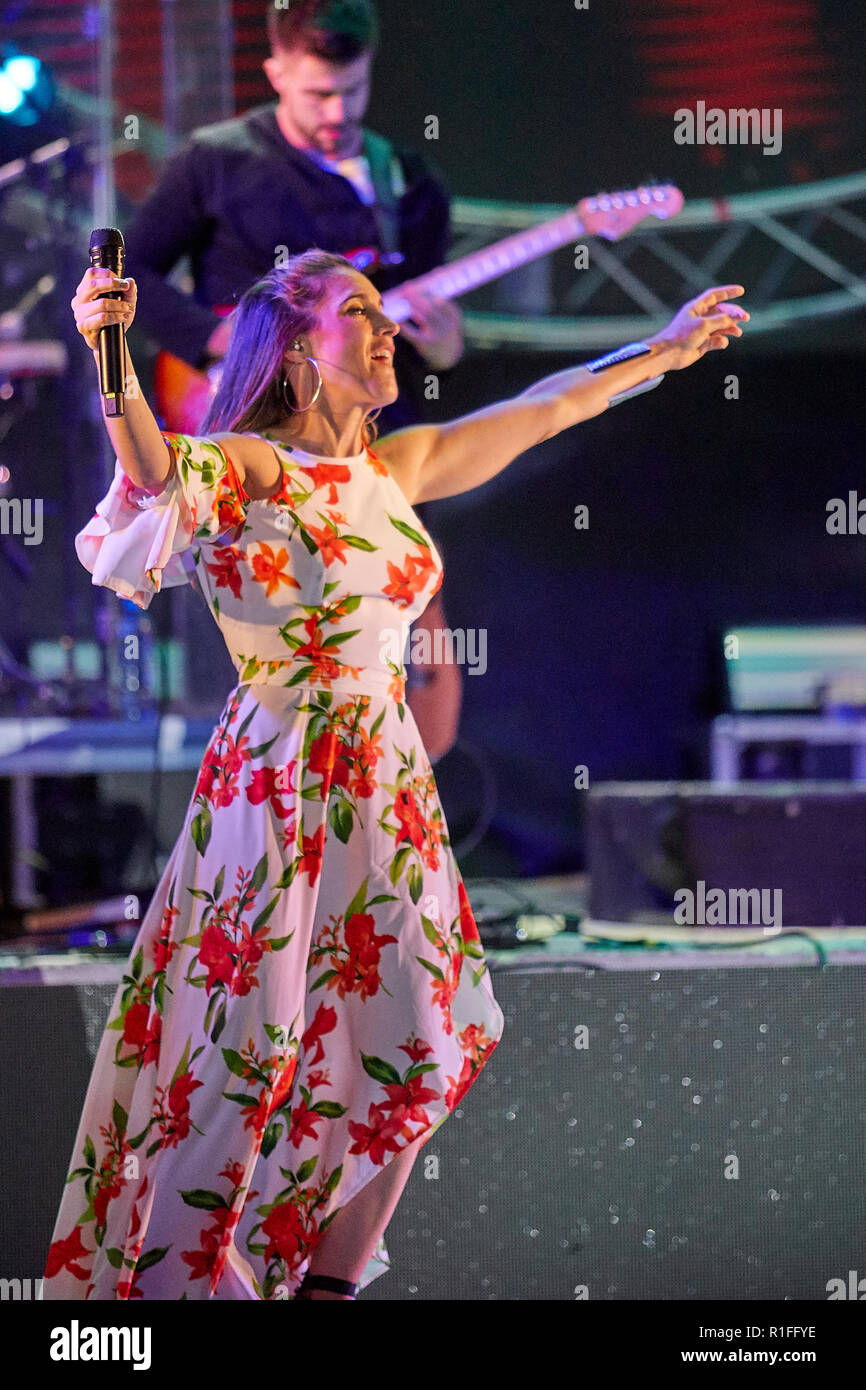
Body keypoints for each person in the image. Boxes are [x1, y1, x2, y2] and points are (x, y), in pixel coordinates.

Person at [43, 252, 747, 1301]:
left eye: (385, 316)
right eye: (360, 315)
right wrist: (110, 352)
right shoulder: (253, 467)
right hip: (279, 780)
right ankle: (187, 1277)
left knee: (427, 1034)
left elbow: (544, 409)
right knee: (243, 1063)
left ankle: (325, 1285)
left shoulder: (396, 468)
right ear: (294, 353)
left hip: (386, 781)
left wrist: (667, 349)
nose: (388, 332)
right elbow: (154, 473)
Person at [125, 0, 463, 757]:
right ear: (276, 72)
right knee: (272, 604)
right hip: (257, 430)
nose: (337, 111)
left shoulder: (408, 181)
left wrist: (444, 344)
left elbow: (432, 338)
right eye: (317, 93)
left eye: (353, 89)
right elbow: (132, 269)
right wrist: (216, 338)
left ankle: (401, 774)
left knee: (402, 601)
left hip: (367, 440)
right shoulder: (216, 160)